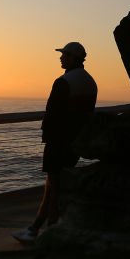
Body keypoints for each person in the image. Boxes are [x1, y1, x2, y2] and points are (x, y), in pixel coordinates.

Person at [13, 41, 97, 242]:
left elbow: (53, 113)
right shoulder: (90, 82)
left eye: (64, 55)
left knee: (53, 183)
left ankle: (44, 229)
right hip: (75, 141)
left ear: (73, 58)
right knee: (57, 184)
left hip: (58, 139)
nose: (61, 58)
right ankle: (41, 226)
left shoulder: (63, 82)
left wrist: (46, 135)